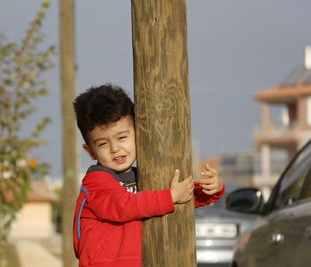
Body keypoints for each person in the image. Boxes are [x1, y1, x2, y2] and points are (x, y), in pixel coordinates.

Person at [72, 84, 225, 267]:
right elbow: (124, 206)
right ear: (90, 152)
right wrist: (170, 196)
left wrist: (209, 190)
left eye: (122, 138)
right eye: (103, 144)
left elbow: (178, 198)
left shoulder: (143, 177)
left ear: (139, 134)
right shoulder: (96, 181)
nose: (115, 149)